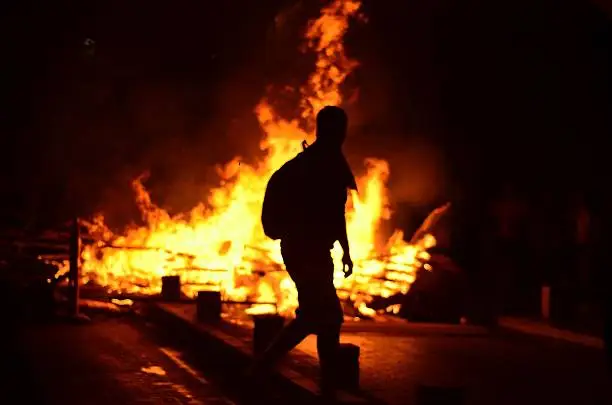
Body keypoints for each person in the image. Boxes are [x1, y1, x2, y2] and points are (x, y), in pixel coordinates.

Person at [253, 105, 357, 395]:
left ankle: (326, 382)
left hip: (305, 250)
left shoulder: (315, 161)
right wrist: (345, 250)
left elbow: (335, 214)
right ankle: (266, 364)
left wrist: (345, 251)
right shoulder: (325, 164)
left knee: (324, 317)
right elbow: (335, 214)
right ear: (335, 131)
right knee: (320, 316)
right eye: (341, 128)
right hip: (308, 251)